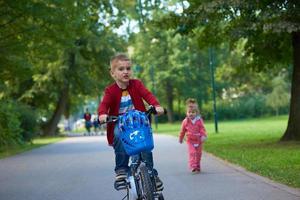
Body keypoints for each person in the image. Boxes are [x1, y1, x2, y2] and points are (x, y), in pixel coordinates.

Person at [98, 53, 164, 190]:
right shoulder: (110, 91)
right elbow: (104, 104)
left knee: (145, 146)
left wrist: (156, 106)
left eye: (128, 68)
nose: (126, 72)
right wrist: (102, 114)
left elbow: (147, 95)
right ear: (113, 73)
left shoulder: (136, 84)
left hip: (138, 121)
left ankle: (151, 173)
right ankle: (121, 170)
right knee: (117, 135)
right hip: (120, 123)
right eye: (121, 69)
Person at [179, 98, 207, 173]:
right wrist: (181, 138)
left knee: (198, 154)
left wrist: (203, 135)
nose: (191, 113)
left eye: (193, 112)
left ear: (196, 113)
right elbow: (182, 131)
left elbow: (202, 129)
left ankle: (197, 166)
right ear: (186, 113)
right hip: (190, 140)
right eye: (189, 112)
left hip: (199, 140)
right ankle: (193, 166)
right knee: (192, 153)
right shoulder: (185, 121)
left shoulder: (199, 120)